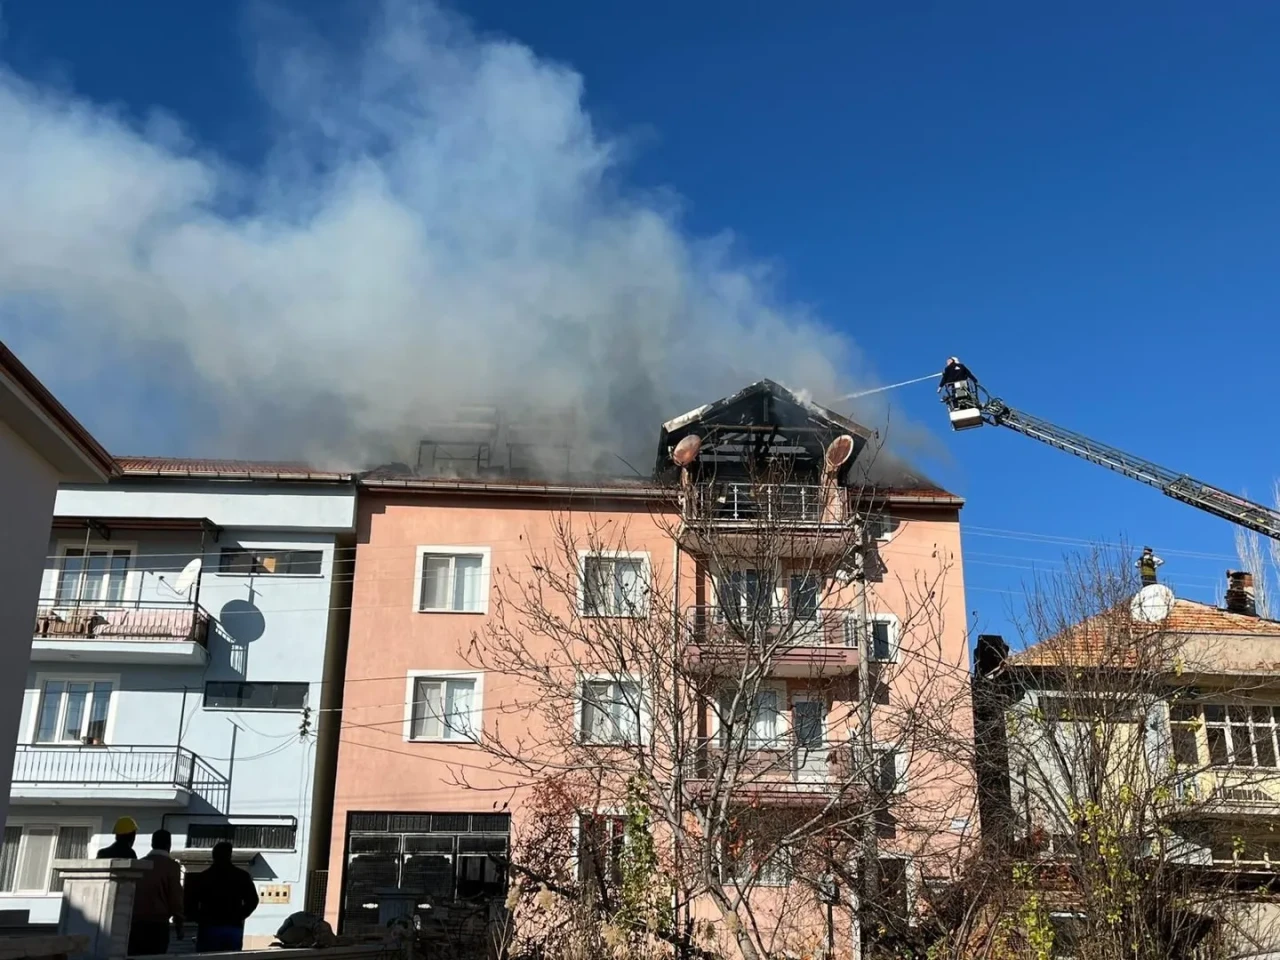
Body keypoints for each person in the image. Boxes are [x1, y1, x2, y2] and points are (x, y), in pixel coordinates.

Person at [185, 841, 259, 952]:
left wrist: (199, 918)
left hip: (208, 926)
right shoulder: (241, 876)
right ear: (230, 855)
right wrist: (240, 915)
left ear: (213, 855)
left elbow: (189, 902)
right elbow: (253, 900)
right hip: (233, 926)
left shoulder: (203, 877)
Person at [129, 829, 184, 956]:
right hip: (158, 924)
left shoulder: (141, 864)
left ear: (152, 844)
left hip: (135, 922)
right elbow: (175, 896)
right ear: (168, 845)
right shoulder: (172, 866)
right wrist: (179, 924)